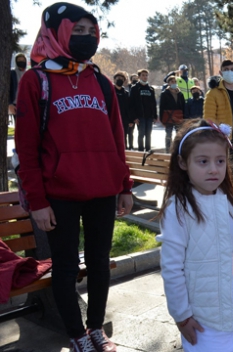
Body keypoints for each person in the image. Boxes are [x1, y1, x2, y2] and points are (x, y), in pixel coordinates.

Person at [15, 3, 133, 351]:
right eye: (76, 31)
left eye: (89, 31)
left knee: (99, 264)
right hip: (59, 196)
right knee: (65, 267)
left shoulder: (101, 81)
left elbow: (116, 139)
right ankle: (77, 335)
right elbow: (26, 148)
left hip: (102, 191)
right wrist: (37, 202)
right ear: (57, 32)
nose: (85, 38)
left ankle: (96, 329)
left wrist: (124, 186)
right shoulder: (35, 81)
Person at [158, 119, 233, 352]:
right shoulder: (178, 208)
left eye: (220, 161)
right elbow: (172, 268)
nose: (214, 169)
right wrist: (182, 316)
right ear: (183, 163)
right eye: (203, 161)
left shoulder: (226, 200)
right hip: (202, 314)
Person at [130, 69, 157, 151]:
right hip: (140, 116)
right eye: (143, 75)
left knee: (148, 134)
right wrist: (134, 117)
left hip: (149, 116)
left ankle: (148, 150)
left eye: (146, 75)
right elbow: (131, 104)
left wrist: (155, 115)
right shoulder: (135, 88)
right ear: (139, 77)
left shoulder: (151, 89)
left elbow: (154, 103)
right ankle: (141, 150)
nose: (145, 77)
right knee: (141, 134)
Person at [159, 76, 186, 153]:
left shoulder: (180, 94)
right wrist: (162, 119)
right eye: (172, 82)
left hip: (179, 117)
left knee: (179, 135)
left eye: (175, 81)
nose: (174, 83)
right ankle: (168, 150)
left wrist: (184, 117)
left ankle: (178, 150)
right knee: (168, 134)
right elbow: (161, 107)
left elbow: (183, 106)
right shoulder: (164, 93)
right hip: (168, 117)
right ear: (168, 83)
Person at [113, 71, 135, 150]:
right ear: (114, 80)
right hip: (113, 118)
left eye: (122, 78)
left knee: (123, 137)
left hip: (124, 120)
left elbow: (129, 108)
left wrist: (131, 120)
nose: (120, 80)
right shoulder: (110, 92)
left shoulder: (126, 93)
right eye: (118, 78)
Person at [9, 53, 28, 124]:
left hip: (26, 102)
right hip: (15, 103)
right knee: (18, 124)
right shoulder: (12, 73)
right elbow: (9, 89)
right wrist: (10, 103)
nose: (21, 62)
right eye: (19, 60)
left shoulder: (28, 73)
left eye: (23, 60)